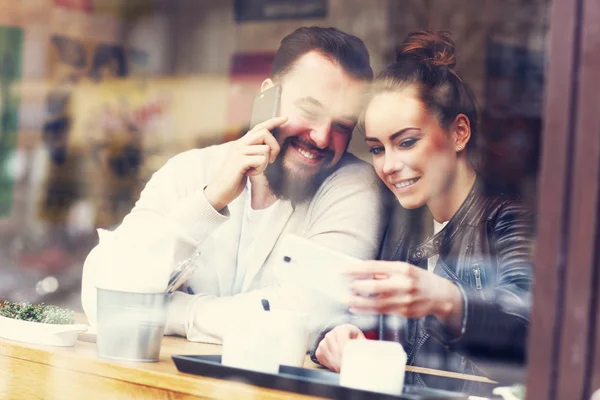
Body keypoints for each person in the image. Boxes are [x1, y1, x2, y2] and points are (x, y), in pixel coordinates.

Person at [81, 26, 389, 343]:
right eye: (310, 109)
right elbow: (103, 292)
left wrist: (168, 312)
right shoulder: (189, 170)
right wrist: (209, 202)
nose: (323, 136)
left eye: (342, 124)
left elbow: (309, 318)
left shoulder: (354, 185)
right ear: (268, 95)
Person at [313, 31, 534, 394]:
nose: (389, 165)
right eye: (377, 149)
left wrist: (447, 300)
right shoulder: (399, 223)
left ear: (459, 133)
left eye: (407, 142)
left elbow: (526, 331)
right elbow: (352, 313)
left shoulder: (509, 220)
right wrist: (337, 337)